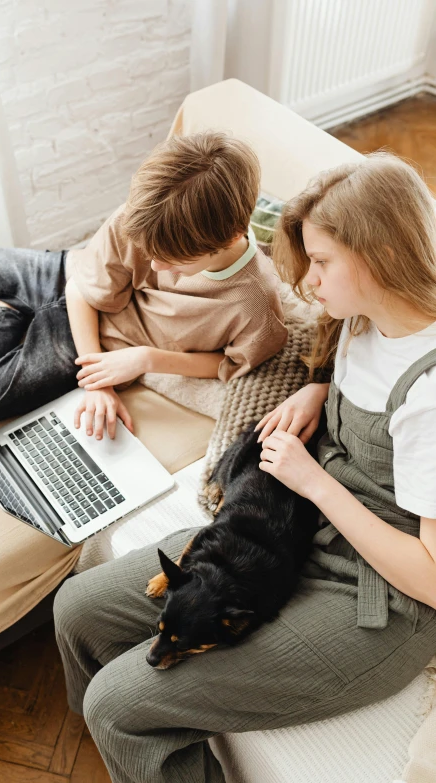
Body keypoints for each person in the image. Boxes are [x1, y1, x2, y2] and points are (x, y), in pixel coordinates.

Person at [53, 151, 436, 783]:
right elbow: (357, 388)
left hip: (375, 600)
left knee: (118, 704)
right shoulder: (362, 321)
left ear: (378, 255)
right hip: (291, 531)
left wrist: (312, 480)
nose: (308, 282)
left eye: (320, 262)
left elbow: (428, 579)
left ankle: (127, 732)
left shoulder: (428, 399)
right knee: (77, 608)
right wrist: (319, 392)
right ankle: (120, 756)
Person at [0, 132, 287, 434]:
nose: (155, 264)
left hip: (90, 341)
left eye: (173, 261)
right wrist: (98, 387)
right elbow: (79, 289)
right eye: (149, 250)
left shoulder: (254, 302)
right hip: (69, 274)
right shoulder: (146, 215)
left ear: (230, 236)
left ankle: (5, 315)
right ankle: (12, 312)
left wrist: (143, 360)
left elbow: (230, 364)